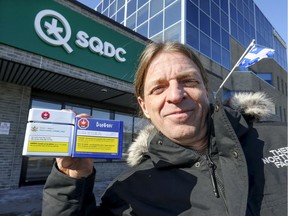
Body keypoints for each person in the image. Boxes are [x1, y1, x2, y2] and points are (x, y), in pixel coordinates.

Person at [42, 41, 287, 216]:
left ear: (205, 90)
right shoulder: (128, 191)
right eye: (158, 88)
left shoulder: (281, 140)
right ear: (145, 106)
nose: (176, 95)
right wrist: (71, 181)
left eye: (188, 81)